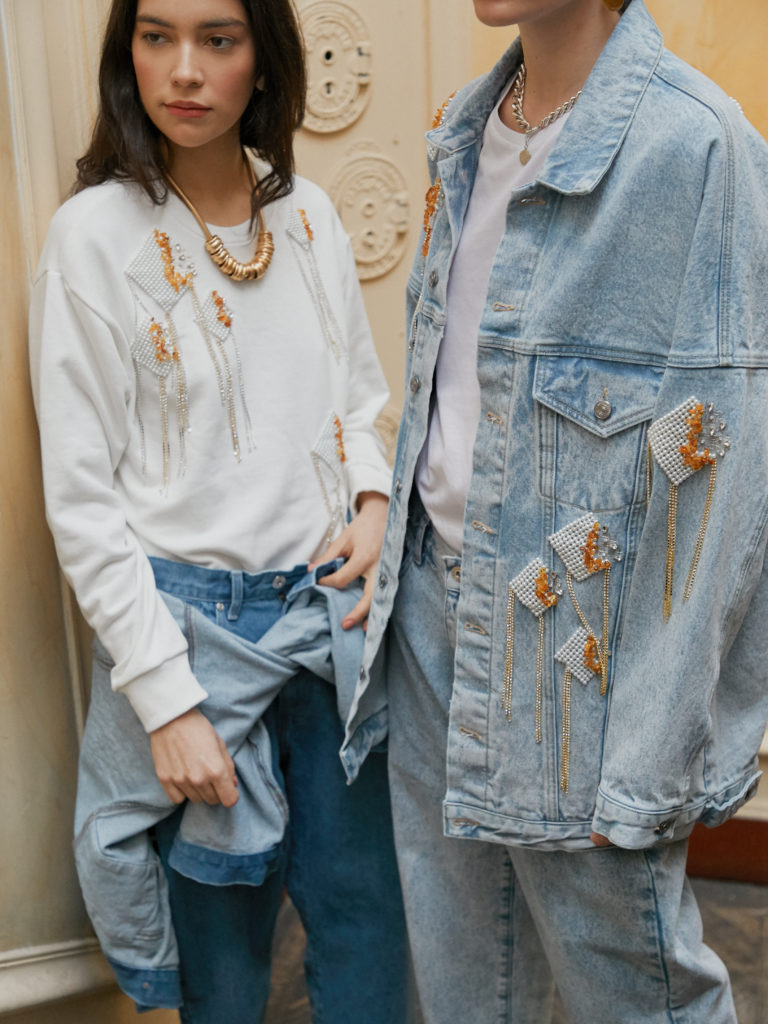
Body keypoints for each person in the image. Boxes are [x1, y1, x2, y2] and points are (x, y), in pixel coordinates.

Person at [344, 0, 768, 1021]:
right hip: (433, 622)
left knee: (638, 995)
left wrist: (651, 754)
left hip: (580, 661)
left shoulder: (698, 146)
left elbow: (725, 488)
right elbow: (455, 392)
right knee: (463, 987)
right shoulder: (466, 126)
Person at [28, 0, 413, 1021]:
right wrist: (166, 703)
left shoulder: (309, 214)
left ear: (264, 58)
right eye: (156, 37)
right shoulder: (91, 237)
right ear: (128, 55)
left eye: (218, 39)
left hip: (327, 615)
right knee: (224, 973)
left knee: (369, 936)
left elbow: (358, 402)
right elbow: (83, 503)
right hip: (191, 633)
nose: (185, 70)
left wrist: (374, 500)